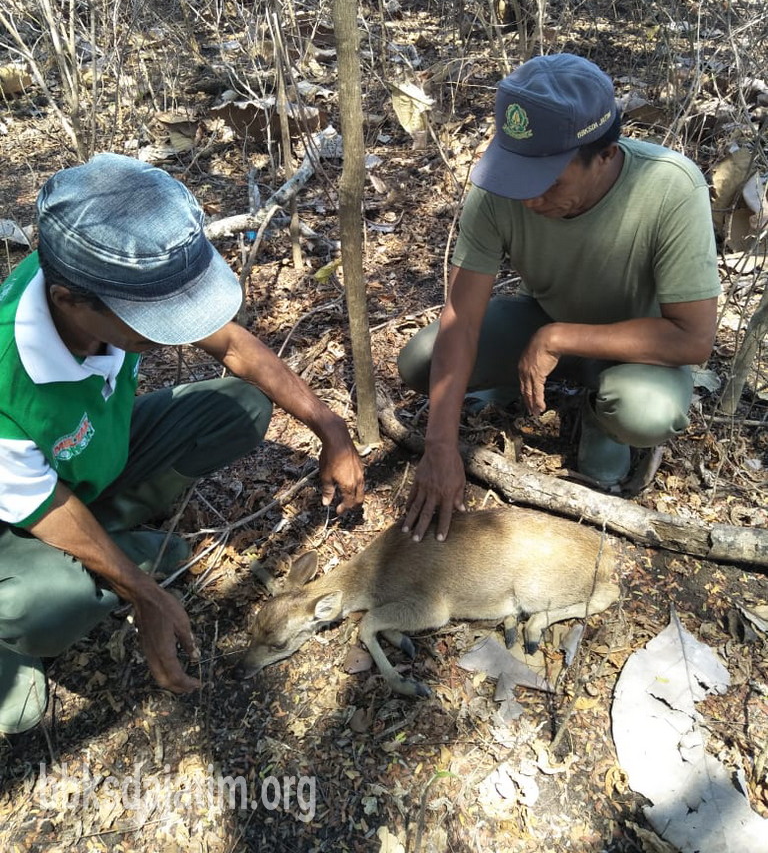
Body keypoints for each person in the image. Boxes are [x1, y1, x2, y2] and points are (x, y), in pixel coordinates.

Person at [0, 154, 364, 734]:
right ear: (72, 301)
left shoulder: (90, 283)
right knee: (43, 605)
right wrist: (144, 593)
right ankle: (35, 618)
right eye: (152, 319)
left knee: (237, 408)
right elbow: (41, 504)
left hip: (83, 462)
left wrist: (333, 430)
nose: (173, 333)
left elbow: (234, 347)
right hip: (18, 517)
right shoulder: (7, 374)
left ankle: (110, 540)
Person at [398, 53, 720, 542]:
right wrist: (440, 445)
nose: (528, 199)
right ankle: (537, 385)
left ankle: (597, 413)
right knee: (422, 362)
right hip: (546, 316)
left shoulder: (670, 188)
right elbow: (461, 318)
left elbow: (694, 340)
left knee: (646, 411)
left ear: (606, 154)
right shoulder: (500, 192)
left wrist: (556, 338)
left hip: (640, 350)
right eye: (517, 175)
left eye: (548, 181)